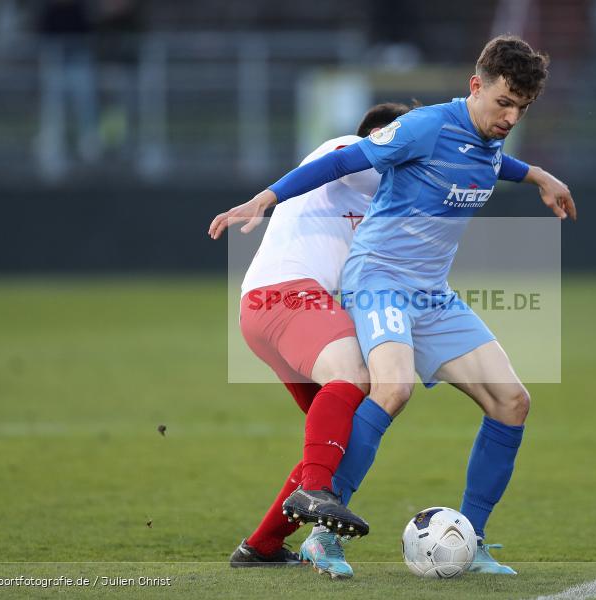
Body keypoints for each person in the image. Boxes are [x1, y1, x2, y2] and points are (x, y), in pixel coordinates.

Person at [209, 35, 576, 576]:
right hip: (378, 278)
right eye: (503, 102)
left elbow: (489, 161)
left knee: (512, 402)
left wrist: (538, 175)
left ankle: (470, 540)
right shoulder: (425, 125)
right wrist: (268, 197)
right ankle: (322, 537)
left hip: (431, 291)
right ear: (475, 86)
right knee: (391, 388)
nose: (510, 117)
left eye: (521, 108)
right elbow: (346, 159)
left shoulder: (487, 141)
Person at [220, 102, 412, 578]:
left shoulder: (377, 204)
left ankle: (262, 546)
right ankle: (316, 492)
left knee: (336, 436)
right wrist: (266, 197)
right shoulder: (348, 151)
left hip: (274, 308)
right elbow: (342, 160)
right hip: (286, 295)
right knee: (353, 378)